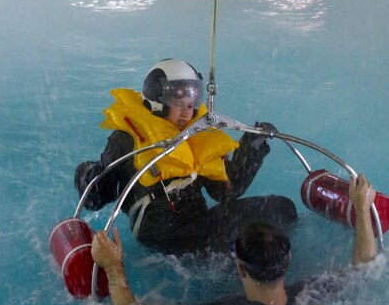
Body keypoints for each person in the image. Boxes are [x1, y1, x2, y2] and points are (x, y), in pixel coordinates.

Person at [75, 59, 297, 255]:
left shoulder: (196, 133)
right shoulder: (127, 139)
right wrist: (88, 176)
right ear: (156, 101)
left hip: (198, 225)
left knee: (282, 210)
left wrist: (251, 148)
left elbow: (224, 191)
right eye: (177, 104)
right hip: (160, 234)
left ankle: (250, 265)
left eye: (190, 105)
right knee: (249, 238)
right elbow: (99, 197)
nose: (185, 112)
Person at [91, 173, 378, 305]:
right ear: (288, 259)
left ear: (239, 266)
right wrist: (362, 210)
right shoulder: (312, 297)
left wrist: (112, 267)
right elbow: (366, 269)